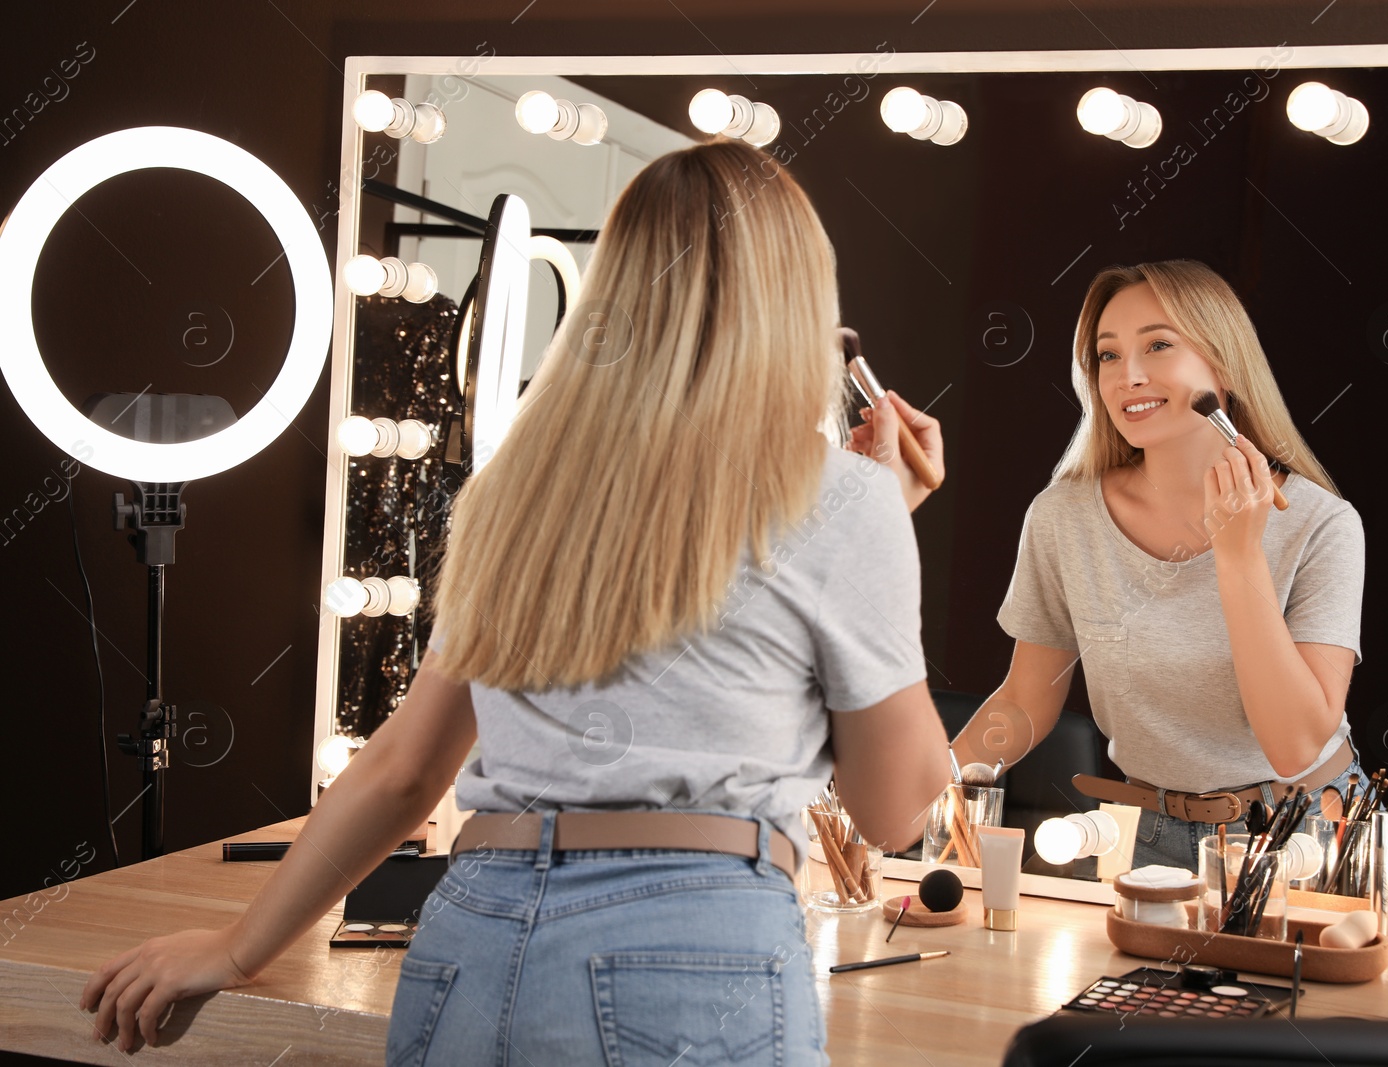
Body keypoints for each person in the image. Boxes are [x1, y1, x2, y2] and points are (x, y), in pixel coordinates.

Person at [78, 139, 952, 1062]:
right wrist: (885, 521)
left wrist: (236, 946)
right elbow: (895, 808)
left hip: (472, 940)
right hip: (695, 954)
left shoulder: (517, 491)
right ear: (796, 304)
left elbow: (405, 770)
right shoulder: (845, 500)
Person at [943, 260, 1388, 899]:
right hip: (1144, 839)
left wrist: (1239, 557)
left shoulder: (1321, 525)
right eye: (1107, 356)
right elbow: (1027, 699)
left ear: (1224, 365)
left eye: (1158, 345)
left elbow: (1295, 746)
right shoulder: (1062, 516)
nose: (1128, 375)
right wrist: (937, 783)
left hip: (1307, 837)